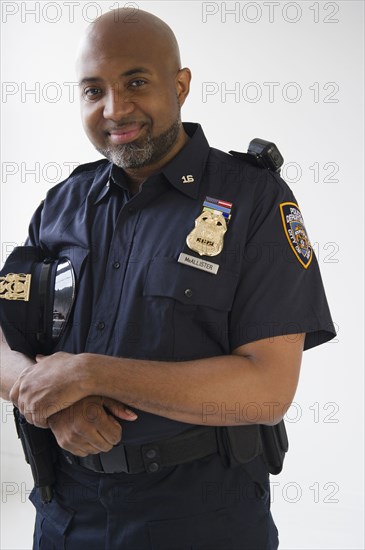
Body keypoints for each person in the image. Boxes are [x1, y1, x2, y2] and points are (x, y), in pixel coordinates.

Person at [1, 7, 336, 549]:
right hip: (65, 515)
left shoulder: (253, 199)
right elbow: (4, 332)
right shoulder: (62, 204)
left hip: (201, 518)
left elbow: (267, 388)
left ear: (180, 86)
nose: (115, 108)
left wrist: (90, 373)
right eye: (93, 90)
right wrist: (40, 395)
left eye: (136, 82)